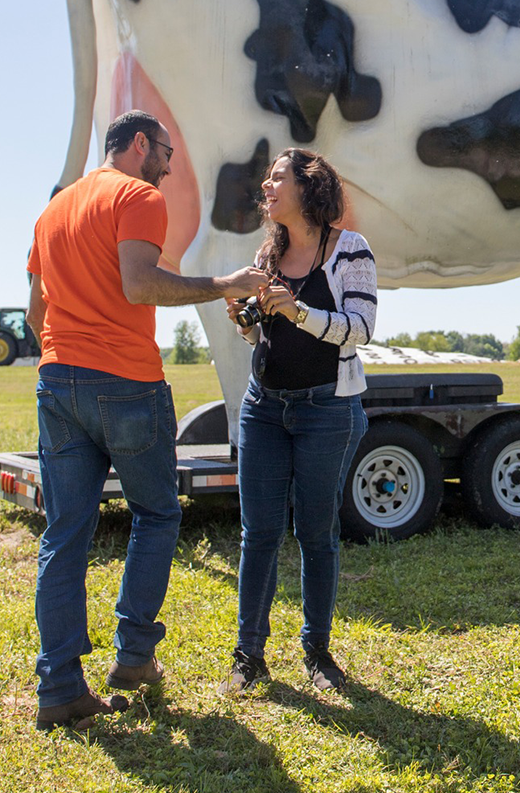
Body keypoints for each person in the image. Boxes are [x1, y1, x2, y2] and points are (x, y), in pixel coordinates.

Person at [26, 110, 268, 731]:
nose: (168, 165)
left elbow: (35, 315)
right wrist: (224, 284)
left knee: (64, 535)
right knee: (157, 514)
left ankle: (58, 688)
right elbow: (140, 286)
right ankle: (133, 658)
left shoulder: (53, 210)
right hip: (126, 382)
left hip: (57, 382)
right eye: (164, 152)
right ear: (139, 145)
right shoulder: (136, 196)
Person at [218, 148, 376, 695]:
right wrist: (247, 321)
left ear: (308, 188)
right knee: (258, 532)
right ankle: (248, 656)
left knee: (315, 533)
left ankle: (317, 652)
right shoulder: (269, 251)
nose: (266, 185)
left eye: (276, 177)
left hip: (326, 408)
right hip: (263, 407)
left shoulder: (350, 249)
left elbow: (359, 329)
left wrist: (297, 311)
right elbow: (263, 332)